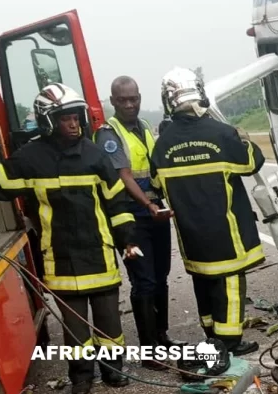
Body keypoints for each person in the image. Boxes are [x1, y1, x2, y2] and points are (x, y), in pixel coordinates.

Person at [0, 84, 137, 394]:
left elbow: (116, 203)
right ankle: (82, 378)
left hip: (99, 255)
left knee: (109, 321)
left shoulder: (95, 154)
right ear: (47, 121)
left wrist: (128, 240)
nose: (73, 124)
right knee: (75, 329)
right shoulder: (31, 158)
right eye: (65, 118)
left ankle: (113, 371)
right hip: (61, 258)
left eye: (76, 117)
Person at [149, 67, 263, 356]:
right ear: (199, 93)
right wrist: (245, 139)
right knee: (230, 284)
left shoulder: (162, 145)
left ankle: (211, 335)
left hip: (192, 236)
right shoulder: (221, 134)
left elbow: (156, 185)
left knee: (204, 283)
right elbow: (252, 163)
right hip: (226, 231)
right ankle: (231, 343)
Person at [93, 76, 180, 371]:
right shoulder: (108, 133)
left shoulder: (144, 127)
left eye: (134, 99)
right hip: (130, 217)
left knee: (161, 275)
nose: (130, 104)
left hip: (155, 212)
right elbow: (124, 175)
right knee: (144, 280)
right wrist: (148, 204)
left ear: (140, 97)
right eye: (123, 100)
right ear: (113, 102)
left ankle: (160, 335)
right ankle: (149, 351)